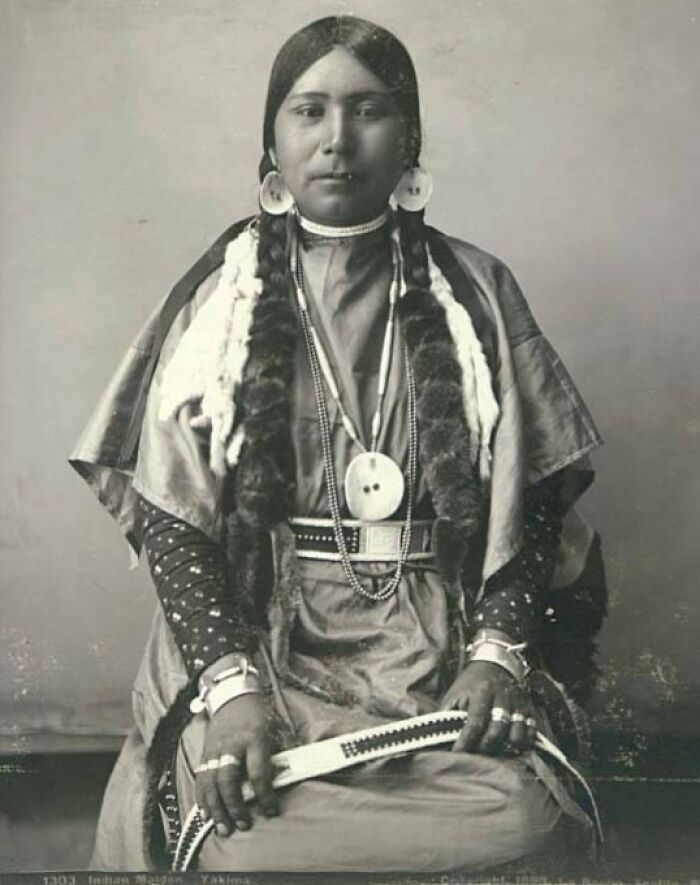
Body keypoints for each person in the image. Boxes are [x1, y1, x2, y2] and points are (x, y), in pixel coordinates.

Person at [71, 15, 607, 875]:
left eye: (368, 111)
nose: (337, 140)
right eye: (309, 112)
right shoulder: (225, 300)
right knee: (244, 833)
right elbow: (174, 519)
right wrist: (233, 689)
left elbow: (536, 493)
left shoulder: (476, 289)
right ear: (272, 145)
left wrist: (498, 654)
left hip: (438, 631)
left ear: (411, 141)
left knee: (524, 821)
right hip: (267, 627)